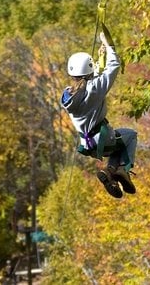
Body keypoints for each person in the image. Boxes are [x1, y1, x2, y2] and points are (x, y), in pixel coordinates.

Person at [61, 30, 137, 198]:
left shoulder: (68, 95)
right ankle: (123, 170)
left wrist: (98, 61)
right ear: (88, 72)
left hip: (86, 144)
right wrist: (109, 46)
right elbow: (114, 66)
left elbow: (87, 82)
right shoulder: (95, 88)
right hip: (102, 138)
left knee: (118, 146)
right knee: (130, 135)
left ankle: (110, 173)